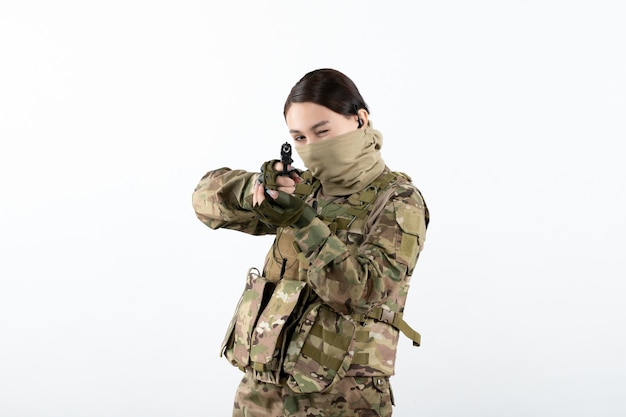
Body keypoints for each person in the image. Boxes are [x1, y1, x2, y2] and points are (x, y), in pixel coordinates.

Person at [192, 68, 429, 417]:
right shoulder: (302, 188)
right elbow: (203, 202)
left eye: (323, 131)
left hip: (344, 398)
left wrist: (303, 222)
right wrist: (255, 186)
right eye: (300, 138)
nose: (313, 147)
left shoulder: (398, 200)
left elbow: (364, 292)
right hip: (261, 393)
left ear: (361, 119)